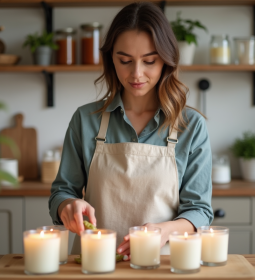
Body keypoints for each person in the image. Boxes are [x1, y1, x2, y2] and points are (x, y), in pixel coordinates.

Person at [48, 1, 213, 257]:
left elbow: (200, 210)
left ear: (167, 61)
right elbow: (62, 191)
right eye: (125, 60)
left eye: (149, 61)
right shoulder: (85, 119)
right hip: (94, 264)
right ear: (111, 58)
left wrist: (166, 230)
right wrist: (67, 205)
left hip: (164, 264)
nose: (137, 73)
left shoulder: (190, 126)